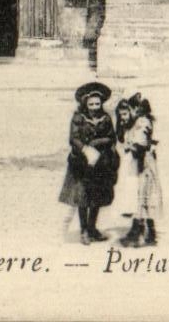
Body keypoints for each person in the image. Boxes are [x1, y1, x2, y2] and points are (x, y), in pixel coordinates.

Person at [58, 81, 120, 244]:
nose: (94, 107)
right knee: (83, 197)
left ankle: (93, 228)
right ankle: (84, 230)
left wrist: (97, 144)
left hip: (100, 163)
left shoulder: (105, 118)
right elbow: (74, 138)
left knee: (97, 196)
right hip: (82, 163)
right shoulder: (78, 118)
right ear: (85, 103)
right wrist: (86, 149)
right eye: (91, 104)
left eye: (97, 104)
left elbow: (112, 137)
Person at [120, 93, 162, 247]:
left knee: (142, 195)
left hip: (143, 164)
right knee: (144, 196)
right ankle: (149, 232)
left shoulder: (141, 122)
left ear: (136, 109)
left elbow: (141, 145)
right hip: (144, 162)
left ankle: (138, 232)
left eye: (129, 110)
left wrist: (131, 147)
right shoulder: (140, 121)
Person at [111, 97, 139, 226]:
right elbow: (122, 140)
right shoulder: (123, 126)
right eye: (120, 115)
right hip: (128, 156)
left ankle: (135, 207)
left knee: (134, 179)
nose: (123, 117)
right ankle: (129, 206)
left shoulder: (138, 124)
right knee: (128, 179)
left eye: (125, 114)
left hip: (137, 155)